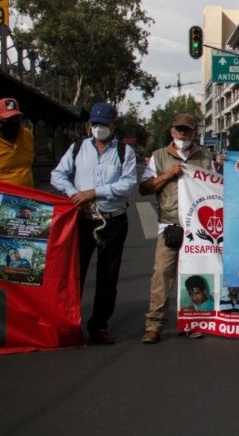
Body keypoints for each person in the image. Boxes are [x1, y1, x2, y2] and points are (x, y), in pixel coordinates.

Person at [50, 102, 137, 345]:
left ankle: (99, 325)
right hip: (82, 220)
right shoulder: (78, 148)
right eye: (95, 124)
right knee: (74, 274)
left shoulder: (124, 152)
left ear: (114, 125)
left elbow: (127, 184)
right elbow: (57, 175)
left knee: (107, 278)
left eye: (104, 124)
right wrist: (74, 193)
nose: (98, 129)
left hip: (113, 220)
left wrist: (94, 192)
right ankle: (69, 323)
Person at [139, 113, 214, 344]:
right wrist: (168, 174)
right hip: (170, 225)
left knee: (191, 275)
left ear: (194, 133)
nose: (183, 134)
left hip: (197, 227)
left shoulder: (205, 157)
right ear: (172, 131)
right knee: (161, 274)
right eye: (179, 129)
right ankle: (154, 325)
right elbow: (144, 188)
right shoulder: (159, 157)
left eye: (187, 130)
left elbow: (215, 186)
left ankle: (190, 322)